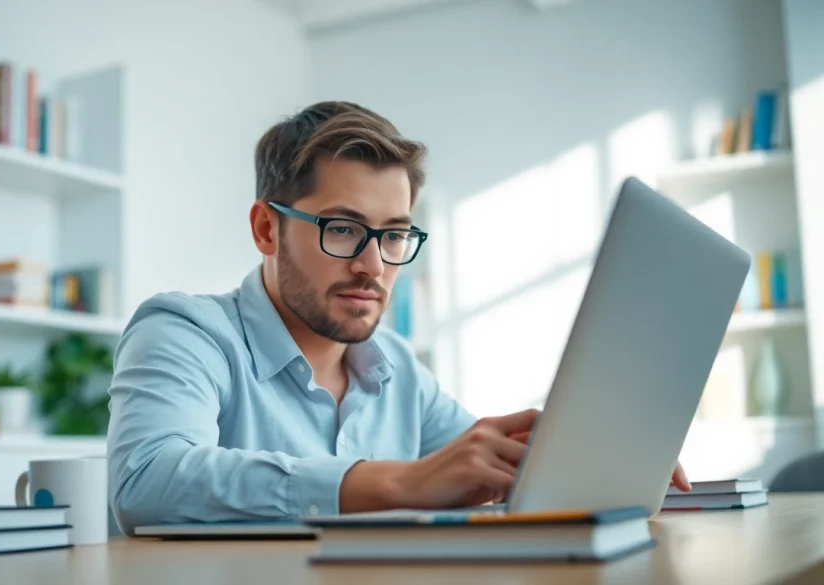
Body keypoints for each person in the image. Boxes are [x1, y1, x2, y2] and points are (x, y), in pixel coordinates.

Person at [106, 101, 691, 530]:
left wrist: (590, 458)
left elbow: (481, 465)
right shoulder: (183, 332)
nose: (373, 265)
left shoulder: (397, 369)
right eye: (342, 229)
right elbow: (146, 481)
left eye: (394, 237)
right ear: (267, 228)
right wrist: (403, 481)